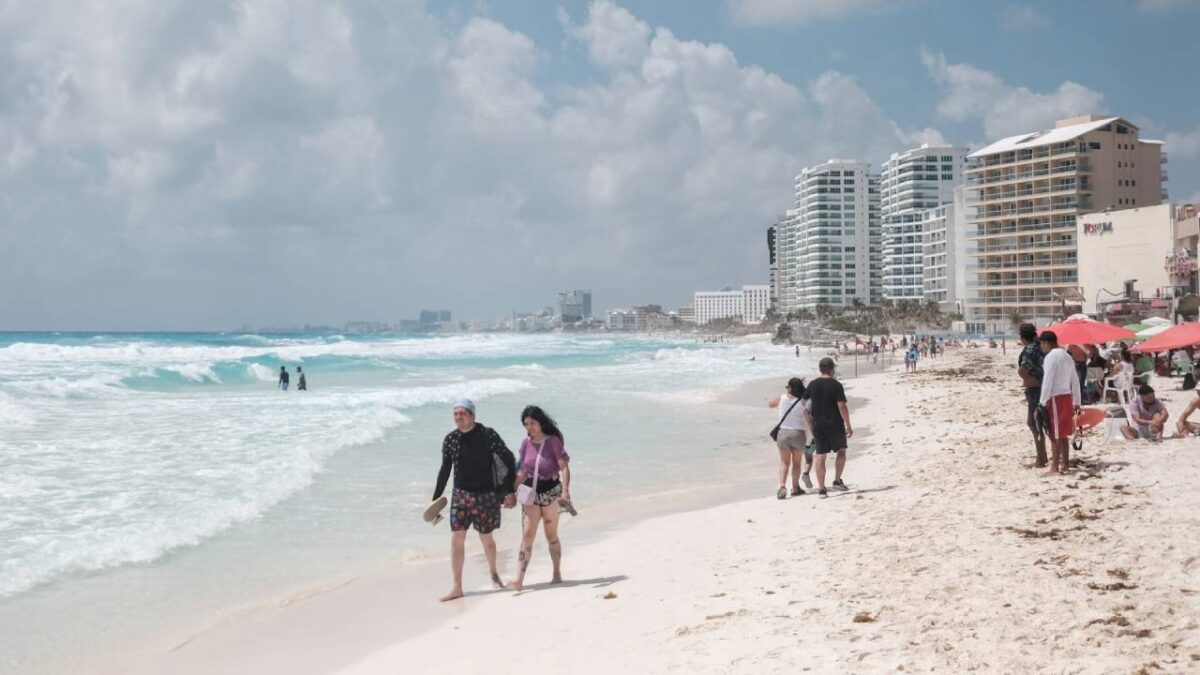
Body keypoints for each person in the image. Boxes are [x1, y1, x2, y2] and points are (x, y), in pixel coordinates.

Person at [432, 398, 517, 602]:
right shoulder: (450, 439)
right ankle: (457, 586)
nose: (458, 417)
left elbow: (508, 458)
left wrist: (508, 490)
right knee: (456, 538)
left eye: (462, 413)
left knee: (486, 538)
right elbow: (445, 470)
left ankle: (494, 574)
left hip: (485, 495)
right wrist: (434, 501)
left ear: (472, 415)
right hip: (460, 496)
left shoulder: (487, 435)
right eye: (455, 414)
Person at [508, 405, 571, 592]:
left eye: (532, 423)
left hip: (551, 493)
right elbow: (522, 471)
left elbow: (564, 468)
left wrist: (565, 491)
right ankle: (518, 580)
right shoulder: (525, 444)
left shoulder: (553, 443)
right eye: (526, 424)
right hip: (530, 494)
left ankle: (557, 573)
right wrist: (510, 491)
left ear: (540, 422)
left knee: (551, 535)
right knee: (527, 535)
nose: (529, 428)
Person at [802, 357, 852, 499]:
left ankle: (822, 489)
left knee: (820, 456)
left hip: (818, 425)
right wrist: (848, 426)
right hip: (835, 424)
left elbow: (803, 403)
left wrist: (810, 420)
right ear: (832, 369)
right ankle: (836, 480)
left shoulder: (812, 384)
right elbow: (842, 406)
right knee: (841, 451)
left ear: (820, 369)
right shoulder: (836, 385)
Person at [1039, 331, 1081, 475]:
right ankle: (1066, 465)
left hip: (1055, 398)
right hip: (1067, 397)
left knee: (1055, 434)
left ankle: (1055, 467)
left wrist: (1042, 402)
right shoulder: (1067, 356)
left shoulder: (1051, 357)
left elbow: (1047, 380)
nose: (1042, 347)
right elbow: (1075, 380)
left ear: (1046, 343)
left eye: (1042, 344)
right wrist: (1077, 401)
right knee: (1063, 434)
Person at [768, 377, 809, 498]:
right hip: (798, 434)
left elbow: (770, 404)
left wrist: (785, 395)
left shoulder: (782, 398)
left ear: (790, 388)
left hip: (783, 434)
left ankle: (782, 486)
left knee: (784, 462)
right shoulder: (803, 402)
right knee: (796, 463)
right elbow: (808, 418)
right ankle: (795, 488)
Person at [1017, 323, 1047, 468]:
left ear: (1022, 338)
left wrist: (1031, 379)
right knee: (1040, 422)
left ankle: (1041, 459)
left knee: (1034, 423)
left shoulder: (1029, 349)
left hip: (1035, 389)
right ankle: (1043, 457)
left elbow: (1023, 370)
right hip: (1044, 387)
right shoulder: (1041, 347)